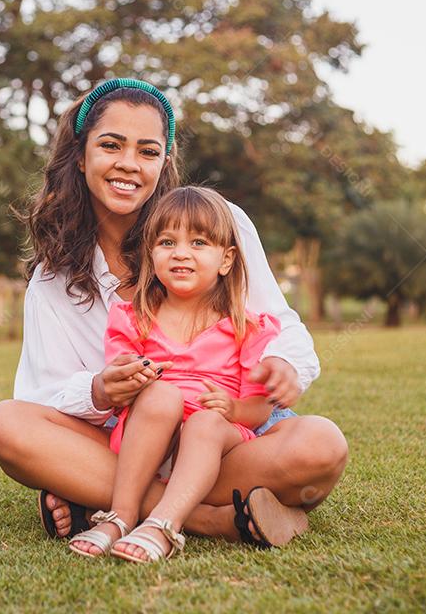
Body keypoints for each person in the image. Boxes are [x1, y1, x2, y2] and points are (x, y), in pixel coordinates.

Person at [0, 78, 348, 549]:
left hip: (223, 435)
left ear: (165, 161)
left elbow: (279, 323)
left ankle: (99, 499)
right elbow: (40, 396)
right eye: (111, 145)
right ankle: (208, 519)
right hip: (130, 442)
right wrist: (99, 389)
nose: (128, 165)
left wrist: (286, 367)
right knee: (5, 425)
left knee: (321, 445)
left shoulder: (222, 223)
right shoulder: (54, 280)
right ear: (80, 154)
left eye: (148, 151)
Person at [69, 186, 305, 562]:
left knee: (206, 423)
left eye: (198, 242)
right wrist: (131, 380)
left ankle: (164, 523)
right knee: (163, 395)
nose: (181, 252)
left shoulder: (249, 328)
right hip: (150, 442)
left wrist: (231, 407)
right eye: (167, 242)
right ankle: (120, 516)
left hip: (215, 443)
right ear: (151, 254)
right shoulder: (132, 318)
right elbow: (120, 385)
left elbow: (259, 412)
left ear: (226, 259)